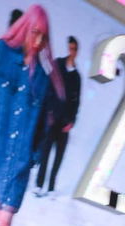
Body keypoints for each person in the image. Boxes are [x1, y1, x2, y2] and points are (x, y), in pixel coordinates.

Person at [0, 5, 65, 226]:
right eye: (35, 32)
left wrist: (34, 156)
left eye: (43, 36)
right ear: (26, 28)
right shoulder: (3, 53)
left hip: (21, 159)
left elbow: (45, 125)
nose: (37, 40)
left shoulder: (42, 78)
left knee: (5, 222)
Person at [32, 35, 81, 197]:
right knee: (45, 152)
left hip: (65, 123)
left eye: (73, 49)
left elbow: (76, 101)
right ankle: (39, 185)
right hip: (53, 119)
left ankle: (51, 187)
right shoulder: (58, 65)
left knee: (58, 157)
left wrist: (72, 121)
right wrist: (50, 112)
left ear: (77, 52)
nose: (71, 51)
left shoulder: (76, 76)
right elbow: (50, 88)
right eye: (70, 48)